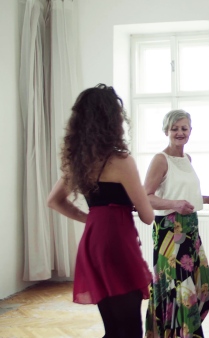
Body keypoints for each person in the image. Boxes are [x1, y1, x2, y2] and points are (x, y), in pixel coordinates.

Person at [47, 84, 154, 338]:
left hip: (93, 242)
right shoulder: (121, 161)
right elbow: (148, 216)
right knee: (130, 329)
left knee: (113, 328)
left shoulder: (78, 162)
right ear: (112, 121)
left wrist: (89, 218)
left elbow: (54, 200)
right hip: (117, 242)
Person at [143, 109, 209, 338]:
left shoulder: (187, 159)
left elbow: (183, 192)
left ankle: (184, 332)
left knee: (201, 282)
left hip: (190, 229)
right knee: (177, 288)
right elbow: (146, 197)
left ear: (190, 131)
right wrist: (175, 204)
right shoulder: (161, 159)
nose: (180, 132)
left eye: (184, 128)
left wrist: (207, 199)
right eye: (175, 128)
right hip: (169, 232)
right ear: (166, 131)